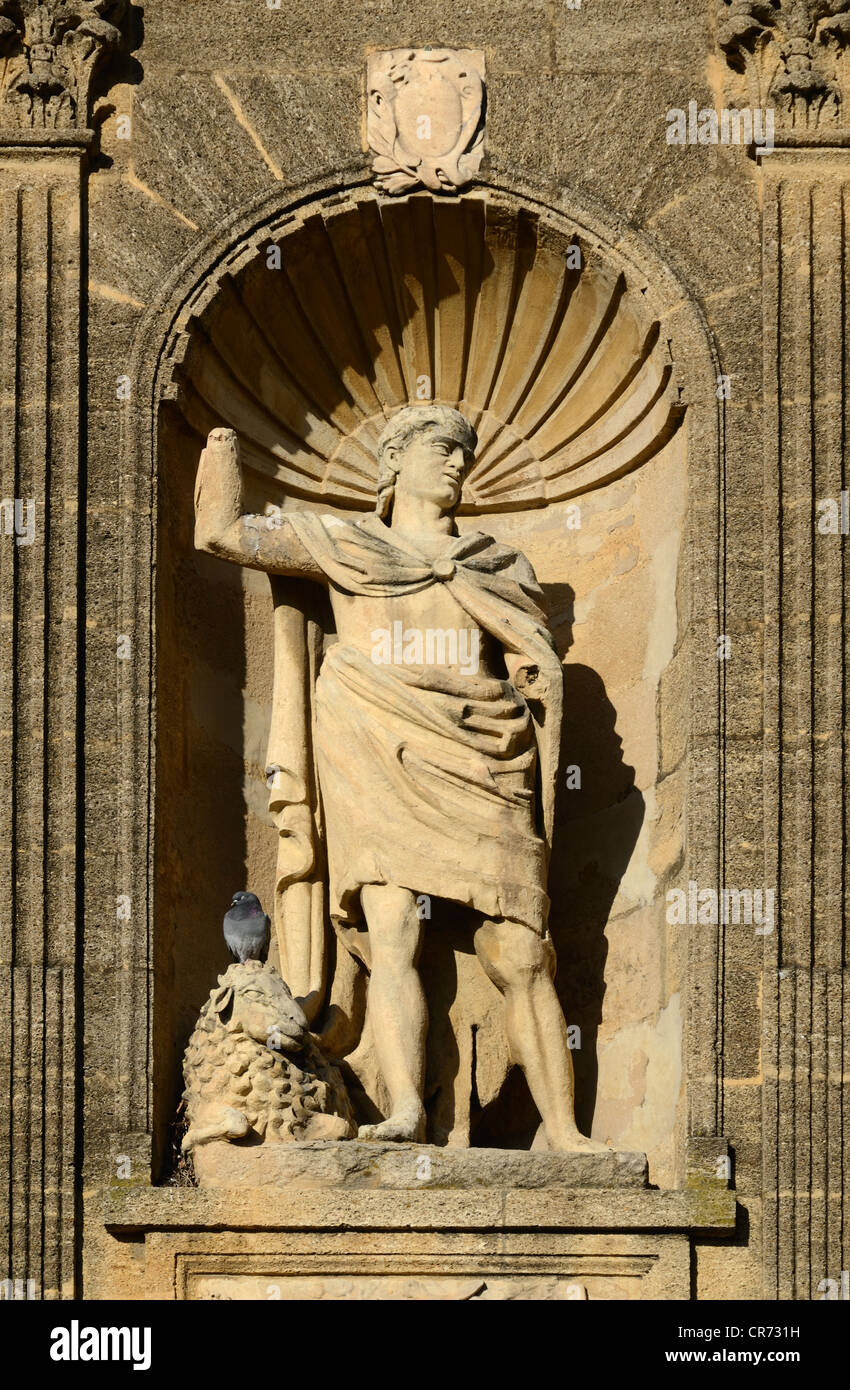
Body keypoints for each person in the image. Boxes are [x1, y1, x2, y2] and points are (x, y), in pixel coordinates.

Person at [194, 405, 606, 1152]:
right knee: (393, 928)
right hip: (378, 744)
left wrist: (536, 677)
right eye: (443, 447)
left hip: (482, 754)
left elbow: (529, 658)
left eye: (466, 452)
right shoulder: (347, 543)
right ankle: (409, 1108)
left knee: (521, 951)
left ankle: (567, 1133)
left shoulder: (497, 563)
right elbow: (224, 535)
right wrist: (220, 452)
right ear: (395, 461)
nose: (458, 462)